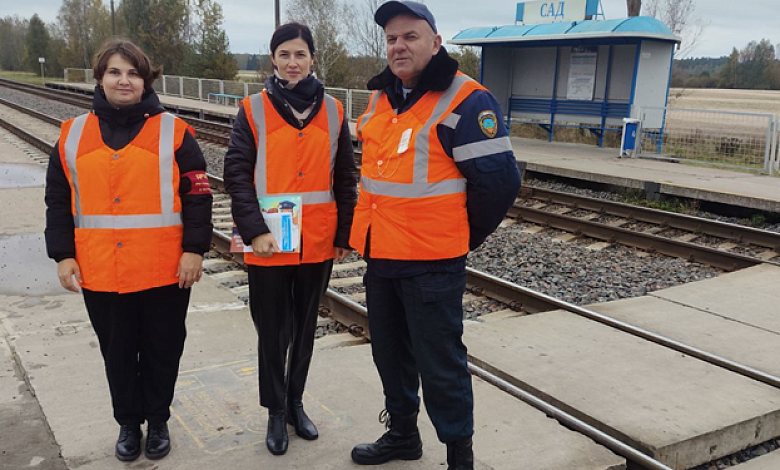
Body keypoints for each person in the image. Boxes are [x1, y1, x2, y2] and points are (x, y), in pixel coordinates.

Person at [348, 2, 522, 470]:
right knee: (390, 356)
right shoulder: (383, 97)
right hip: (381, 255)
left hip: (431, 264)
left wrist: (458, 236)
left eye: (410, 36)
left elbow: (500, 184)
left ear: (436, 42)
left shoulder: (467, 100)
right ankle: (403, 435)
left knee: (440, 365)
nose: (399, 46)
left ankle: (459, 458)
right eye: (391, 39)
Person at [44, 39, 213, 462]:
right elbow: (58, 200)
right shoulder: (71, 136)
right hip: (101, 268)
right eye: (115, 72)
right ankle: (127, 422)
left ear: (146, 80)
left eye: (134, 73)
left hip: (164, 269)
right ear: (100, 78)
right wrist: (63, 254)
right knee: (116, 351)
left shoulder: (175, 132)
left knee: (162, 348)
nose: (125, 80)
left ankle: (157, 421)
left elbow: (197, 195)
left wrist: (194, 250)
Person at [223, 22, 358, 456]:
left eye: (300, 54)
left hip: (317, 240)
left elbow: (345, 178)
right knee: (272, 331)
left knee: (303, 329)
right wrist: (253, 229)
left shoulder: (335, 111)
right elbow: (237, 175)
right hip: (269, 242)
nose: (293, 62)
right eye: (284, 54)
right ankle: (275, 412)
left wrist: (343, 233)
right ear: (274, 59)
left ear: (312, 58)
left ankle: (296, 401)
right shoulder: (253, 109)